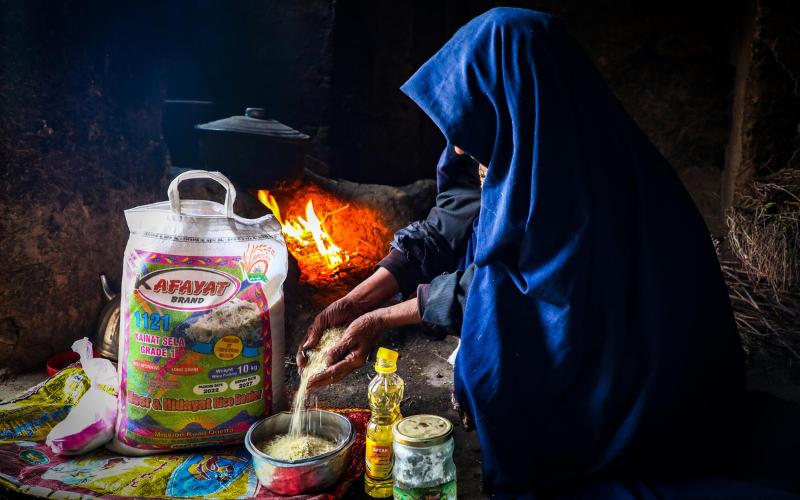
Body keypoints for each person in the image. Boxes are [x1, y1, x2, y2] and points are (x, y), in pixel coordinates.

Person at [297, 7, 748, 497]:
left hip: (636, 357)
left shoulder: (581, 176)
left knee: (504, 370)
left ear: (511, 100)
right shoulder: (503, 129)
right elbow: (456, 211)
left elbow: (517, 293)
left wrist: (384, 319)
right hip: (582, 315)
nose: (463, 151)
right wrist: (358, 300)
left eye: (472, 129)